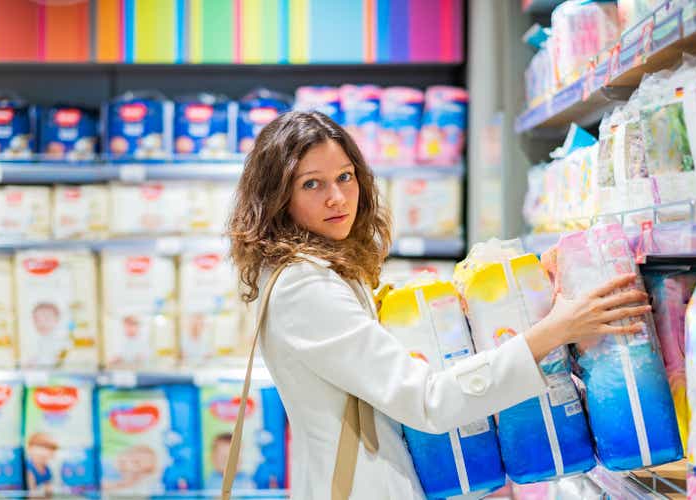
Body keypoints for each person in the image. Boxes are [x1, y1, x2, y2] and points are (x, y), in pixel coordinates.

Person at [228, 111, 651, 500]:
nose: (338, 197)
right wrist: (553, 331)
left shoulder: (316, 269)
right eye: (311, 184)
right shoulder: (306, 286)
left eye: (345, 176)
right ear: (278, 196)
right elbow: (427, 400)